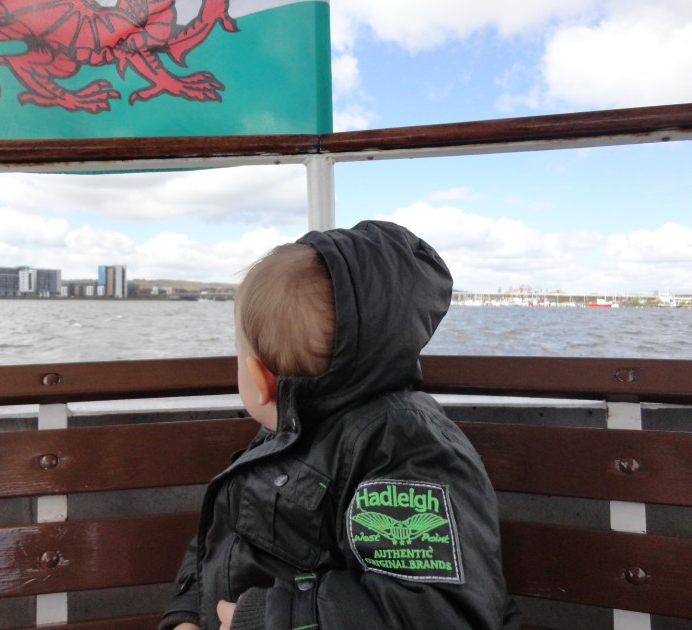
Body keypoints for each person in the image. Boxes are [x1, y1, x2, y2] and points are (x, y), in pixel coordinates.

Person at [160, 220, 521, 630]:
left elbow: (436, 613)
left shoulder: (401, 446)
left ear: (259, 380)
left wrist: (268, 619)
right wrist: (187, 615)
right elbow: (223, 539)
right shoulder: (289, 431)